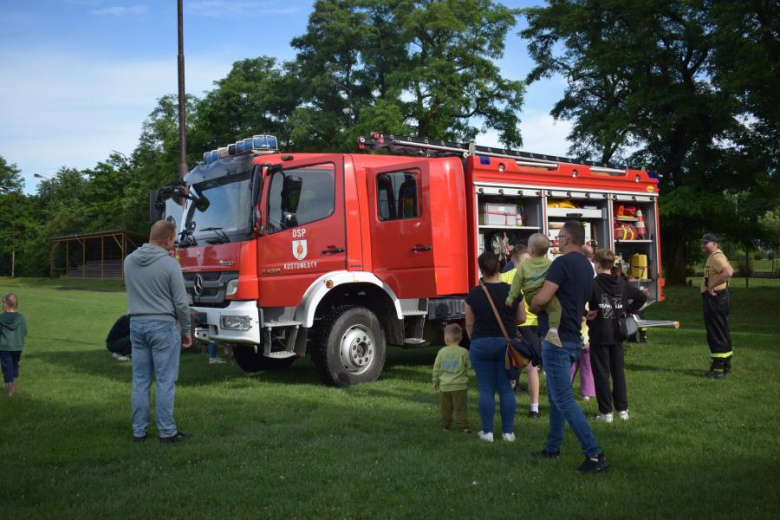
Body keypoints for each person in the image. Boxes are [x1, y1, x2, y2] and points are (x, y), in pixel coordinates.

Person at [531, 220, 609, 473]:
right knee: (556, 396)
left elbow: (543, 298)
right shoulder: (587, 266)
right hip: (574, 337)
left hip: (557, 341)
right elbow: (579, 299)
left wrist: (534, 305)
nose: (557, 240)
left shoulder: (561, 263)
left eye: (560, 236)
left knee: (563, 398)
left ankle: (594, 454)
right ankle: (553, 447)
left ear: (567, 239)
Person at [125, 221, 192, 443]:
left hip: (136, 324)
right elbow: (181, 303)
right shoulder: (170, 264)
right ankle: (166, 431)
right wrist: (186, 330)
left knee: (140, 380)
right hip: (163, 326)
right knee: (165, 380)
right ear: (169, 240)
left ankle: (139, 431)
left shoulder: (129, 261)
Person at [465, 251, 525, 443]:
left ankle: (487, 432)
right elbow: (522, 318)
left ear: (481, 269)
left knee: (485, 389)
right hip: (505, 344)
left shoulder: (473, 294)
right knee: (506, 389)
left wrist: (474, 340)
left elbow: (469, 324)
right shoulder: (512, 291)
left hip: (481, 343)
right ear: (500, 267)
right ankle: (508, 432)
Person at [587, 249, 647, 422]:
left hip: (599, 333)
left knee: (601, 373)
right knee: (618, 372)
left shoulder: (593, 284)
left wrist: (585, 313)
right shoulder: (621, 283)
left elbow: (580, 301)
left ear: (597, 264)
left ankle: (606, 413)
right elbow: (641, 297)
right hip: (618, 332)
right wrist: (626, 311)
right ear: (612, 264)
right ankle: (623, 410)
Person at [499, 246, 542, 419]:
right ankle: (534, 408)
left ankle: (508, 403)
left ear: (512, 260)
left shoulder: (503, 277)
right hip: (531, 325)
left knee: (509, 363)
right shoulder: (535, 277)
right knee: (532, 368)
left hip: (509, 326)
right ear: (525, 260)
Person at [506, 233, 563, 347]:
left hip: (530, 297)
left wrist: (511, 298)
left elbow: (517, 284)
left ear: (530, 250)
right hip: (545, 295)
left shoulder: (523, 266)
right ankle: (553, 330)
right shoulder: (550, 264)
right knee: (556, 309)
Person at [700, 233, 734, 379]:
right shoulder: (716, 256)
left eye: (706, 243)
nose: (703, 245)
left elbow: (728, 272)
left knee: (715, 333)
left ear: (714, 244)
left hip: (715, 299)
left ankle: (718, 369)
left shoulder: (716, 257)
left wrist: (711, 286)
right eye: (702, 243)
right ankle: (725, 364)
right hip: (719, 298)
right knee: (721, 330)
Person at [432, 324, 471, 434]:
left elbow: (436, 368)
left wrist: (435, 380)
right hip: (460, 386)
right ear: (460, 338)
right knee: (461, 408)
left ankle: (445, 426)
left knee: (446, 409)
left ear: (446, 338)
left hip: (445, 387)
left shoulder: (441, 352)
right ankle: (464, 427)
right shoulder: (464, 352)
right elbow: (469, 365)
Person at [570, 243, 596, 402]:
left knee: (571, 364)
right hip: (588, 335)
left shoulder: (574, 272)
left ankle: (565, 388)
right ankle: (586, 392)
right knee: (587, 365)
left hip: (574, 334)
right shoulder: (592, 272)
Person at [0, 293, 27, 397]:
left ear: (6, 303)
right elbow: (24, 331)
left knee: (7, 368)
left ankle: (9, 392)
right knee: (15, 365)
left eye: (2, 302)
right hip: (17, 346)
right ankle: (14, 386)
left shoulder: (1, 317)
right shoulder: (21, 318)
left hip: (4, 347)